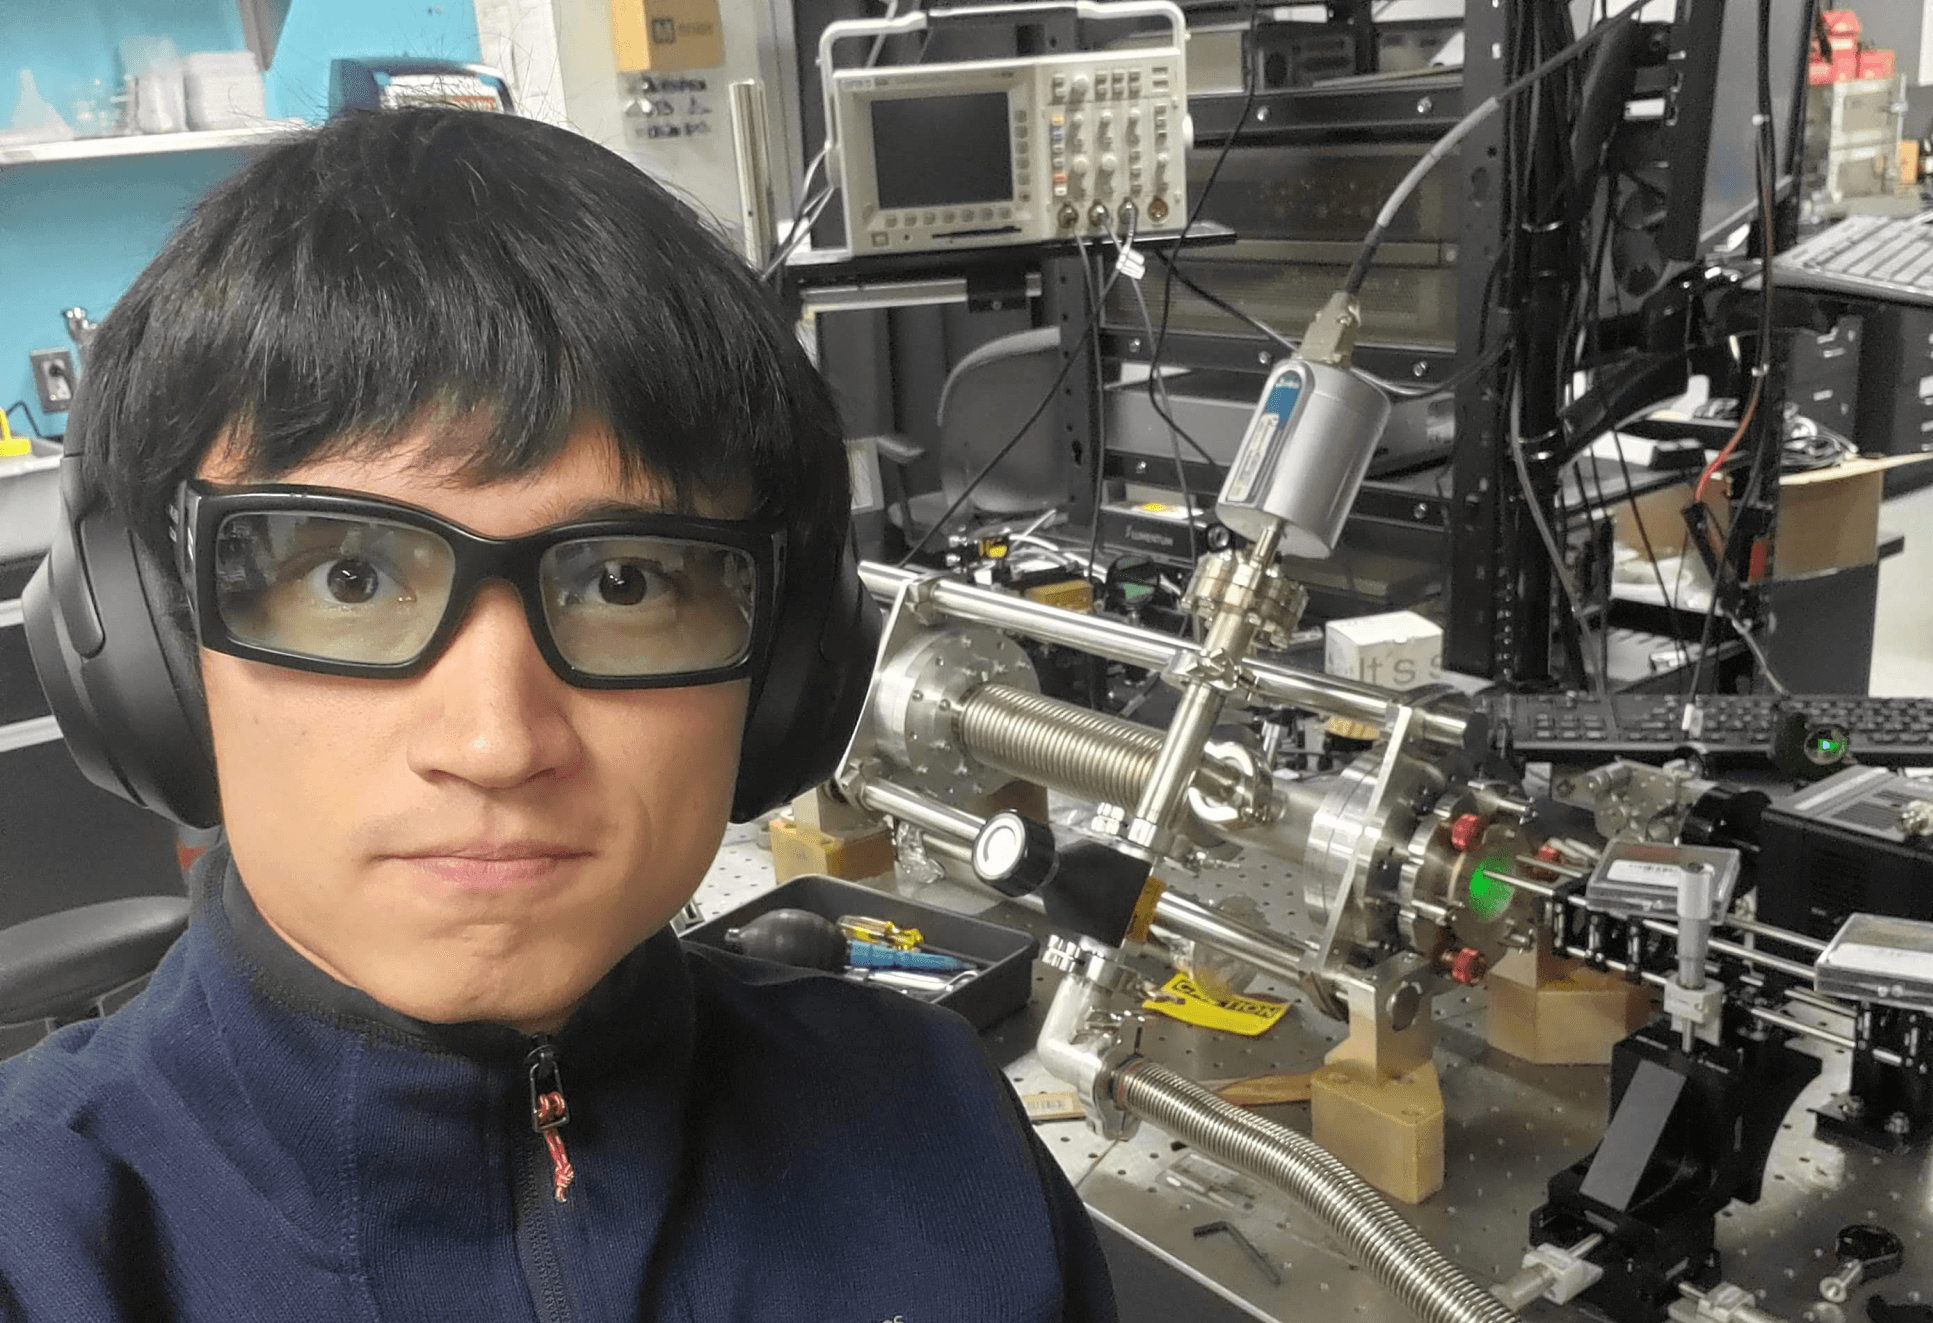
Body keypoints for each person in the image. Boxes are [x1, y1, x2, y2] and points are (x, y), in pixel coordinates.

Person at [0, 106, 1116, 1321]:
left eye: (624, 581)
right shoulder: (42, 1243)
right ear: (153, 651)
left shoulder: (939, 1125)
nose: (495, 743)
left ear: (790, 674)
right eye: (349, 578)